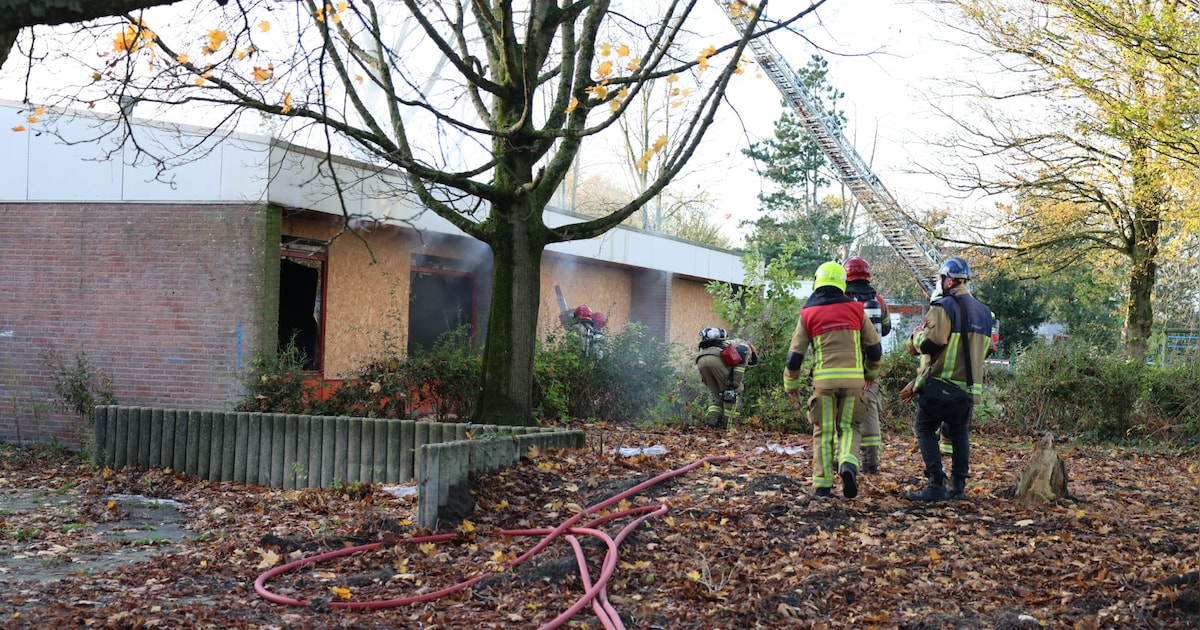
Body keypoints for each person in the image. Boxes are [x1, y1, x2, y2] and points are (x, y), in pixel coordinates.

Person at [784, 262, 883, 498]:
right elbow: (875, 349)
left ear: (817, 282)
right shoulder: (857, 310)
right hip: (853, 382)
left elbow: (794, 356)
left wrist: (792, 384)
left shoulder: (808, 314)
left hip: (824, 383)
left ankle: (822, 486)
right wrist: (870, 374)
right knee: (850, 427)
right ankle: (848, 463)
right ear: (842, 282)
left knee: (823, 432)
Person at [903, 256, 995, 502]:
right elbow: (987, 349)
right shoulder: (985, 313)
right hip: (968, 389)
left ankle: (935, 483)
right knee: (960, 432)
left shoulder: (944, 307)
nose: (939, 283)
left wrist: (914, 339)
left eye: (941, 279)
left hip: (940, 383)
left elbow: (933, 342)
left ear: (950, 280)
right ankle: (958, 487)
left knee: (923, 428)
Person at [842, 256, 892, 474]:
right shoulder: (878, 300)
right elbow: (887, 329)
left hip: (846, 362)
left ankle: (841, 459)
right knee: (869, 408)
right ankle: (871, 462)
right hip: (871, 363)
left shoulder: (842, 298)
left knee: (841, 411)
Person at [695, 327, 759, 429]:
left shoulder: (726, 344)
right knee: (734, 393)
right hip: (716, 358)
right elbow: (740, 365)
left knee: (716, 395)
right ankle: (728, 428)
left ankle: (712, 423)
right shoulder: (744, 346)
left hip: (701, 360)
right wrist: (734, 384)